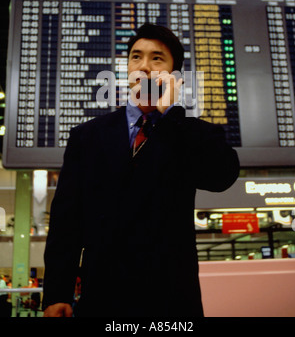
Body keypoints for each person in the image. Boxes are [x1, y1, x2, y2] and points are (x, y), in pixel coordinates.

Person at [43, 24, 239, 317]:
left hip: (171, 299)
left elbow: (221, 177)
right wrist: (57, 292)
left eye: (157, 58)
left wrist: (169, 115)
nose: (144, 66)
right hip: (103, 297)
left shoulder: (194, 133)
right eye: (136, 57)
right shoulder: (88, 136)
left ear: (174, 75)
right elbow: (66, 221)